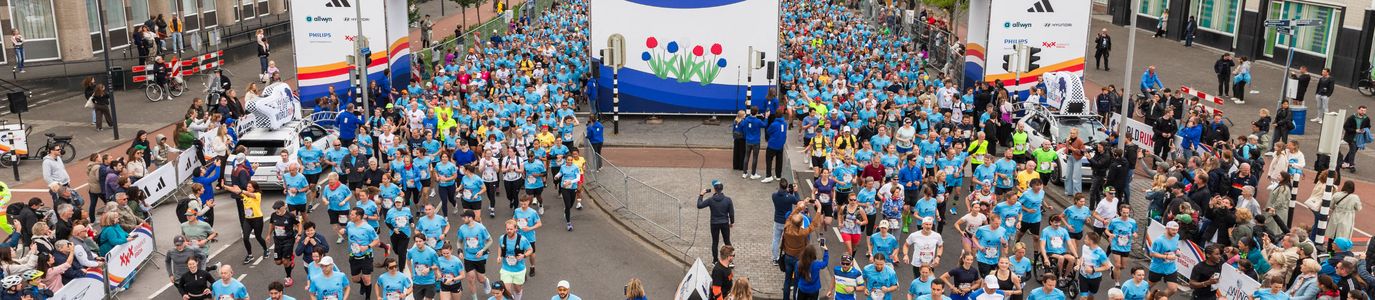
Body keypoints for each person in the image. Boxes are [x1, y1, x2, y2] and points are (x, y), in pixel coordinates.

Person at [457, 210, 493, 300]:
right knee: (470, 279)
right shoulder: (462, 228)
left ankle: (485, 281)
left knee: (480, 279)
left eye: (464, 217)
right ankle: (474, 298)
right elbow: (459, 241)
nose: (463, 219)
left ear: (471, 218)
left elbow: (490, 240)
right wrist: (460, 251)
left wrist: (482, 250)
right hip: (468, 256)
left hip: (480, 256)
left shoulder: (481, 228)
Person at [697, 180, 736, 262]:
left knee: (715, 242)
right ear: (722, 189)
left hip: (714, 223)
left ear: (714, 189)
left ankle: (715, 260)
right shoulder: (728, 200)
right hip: (725, 223)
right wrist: (731, 222)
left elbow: (699, 205)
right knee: (727, 241)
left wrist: (701, 195)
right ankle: (730, 260)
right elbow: (731, 213)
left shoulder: (710, 200)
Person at [266, 201, 299, 286]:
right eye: (275, 208)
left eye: (278, 208)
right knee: (278, 262)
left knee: (285, 261)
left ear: (284, 207)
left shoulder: (290, 216)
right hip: (277, 241)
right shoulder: (273, 215)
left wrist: (299, 234)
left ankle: (288, 277)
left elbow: (299, 224)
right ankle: (290, 260)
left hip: (288, 240)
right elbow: (271, 224)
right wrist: (268, 235)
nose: (277, 210)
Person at [498, 219, 532, 299]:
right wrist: (499, 256)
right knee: (506, 290)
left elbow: (530, 250)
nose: (509, 231)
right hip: (506, 268)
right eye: (507, 229)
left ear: (516, 229)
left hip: (519, 269)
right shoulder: (502, 238)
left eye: (511, 229)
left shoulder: (522, 240)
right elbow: (500, 246)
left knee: (517, 290)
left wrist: (524, 255)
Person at [1147, 221, 1182, 297]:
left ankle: (1159, 298)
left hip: (1170, 267)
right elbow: (1152, 253)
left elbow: (1176, 246)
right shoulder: (1159, 240)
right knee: (1147, 287)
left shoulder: (1177, 236)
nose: (1175, 232)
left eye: (1177, 230)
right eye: (1173, 230)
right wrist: (1166, 257)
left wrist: (1177, 250)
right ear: (1167, 229)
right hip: (1157, 267)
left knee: (1173, 289)